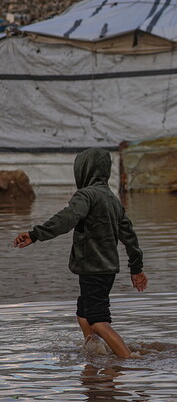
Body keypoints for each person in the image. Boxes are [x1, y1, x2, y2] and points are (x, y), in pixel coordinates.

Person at [12, 148, 147, 358]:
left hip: (93, 268)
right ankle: (94, 354)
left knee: (98, 321)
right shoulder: (113, 200)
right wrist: (136, 269)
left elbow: (67, 218)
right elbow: (130, 238)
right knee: (83, 314)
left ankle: (129, 360)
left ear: (83, 170)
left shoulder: (86, 195)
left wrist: (36, 234)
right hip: (105, 269)